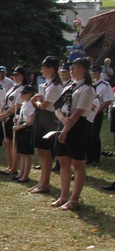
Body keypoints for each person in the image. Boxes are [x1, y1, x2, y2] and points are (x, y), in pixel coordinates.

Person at [51, 57, 97, 210]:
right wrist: (63, 120)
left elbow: (77, 113)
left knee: (77, 162)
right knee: (63, 161)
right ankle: (63, 196)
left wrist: (65, 130)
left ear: (84, 69)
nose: (71, 70)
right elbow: (57, 107)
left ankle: (74, 199)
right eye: (70, 67)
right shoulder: (69, 86)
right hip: (64, 122)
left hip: (77, 127)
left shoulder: (87, 89)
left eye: (75, 67)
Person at [29, 56, 64, 194]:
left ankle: (45, 183)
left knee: (46, 152)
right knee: (41, 151)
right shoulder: (46, 84)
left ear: (52, 68)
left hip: (48, 118)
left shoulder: (55, 86)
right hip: (41, 117)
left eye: (44, 68)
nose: (42, 71)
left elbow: (43, 105)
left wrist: (34, 101)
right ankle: (42, 181)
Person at [0, 67, 27, 176]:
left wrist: (5, 114)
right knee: (7, 142)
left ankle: (14, 167)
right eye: (14, 75)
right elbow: (5, 102)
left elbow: (18, 104)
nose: (15, 77)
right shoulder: (12, 88)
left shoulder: (23, 88)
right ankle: (10, 165)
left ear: (23, 76)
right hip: (6, 117)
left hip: (15, 117)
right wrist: (0, 113)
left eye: (17, 75)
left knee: (15, 143)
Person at [85, 65, 113, 166]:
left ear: (99, 73)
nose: (94, 75)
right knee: (87, 135)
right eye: (92, 73)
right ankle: (88, 157)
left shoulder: (105, 85)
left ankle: (95, 159)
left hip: (97, 113)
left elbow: (107, 101)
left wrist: (97, 111)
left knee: (94, 135)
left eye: (96, 73)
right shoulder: (88, 84)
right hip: (87, 113)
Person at [12, 85, 36, 183]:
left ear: (30, 94)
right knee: (22, 153)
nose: (21, 95)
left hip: (27, 130)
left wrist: (19, 127)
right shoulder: (24, 103)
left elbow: (30, 121)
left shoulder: (31, 104)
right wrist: (17, 119)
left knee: (27, 154)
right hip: (22, 128)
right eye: (21, 93)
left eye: (24, 93)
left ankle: (25, 175)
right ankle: (21, 173)